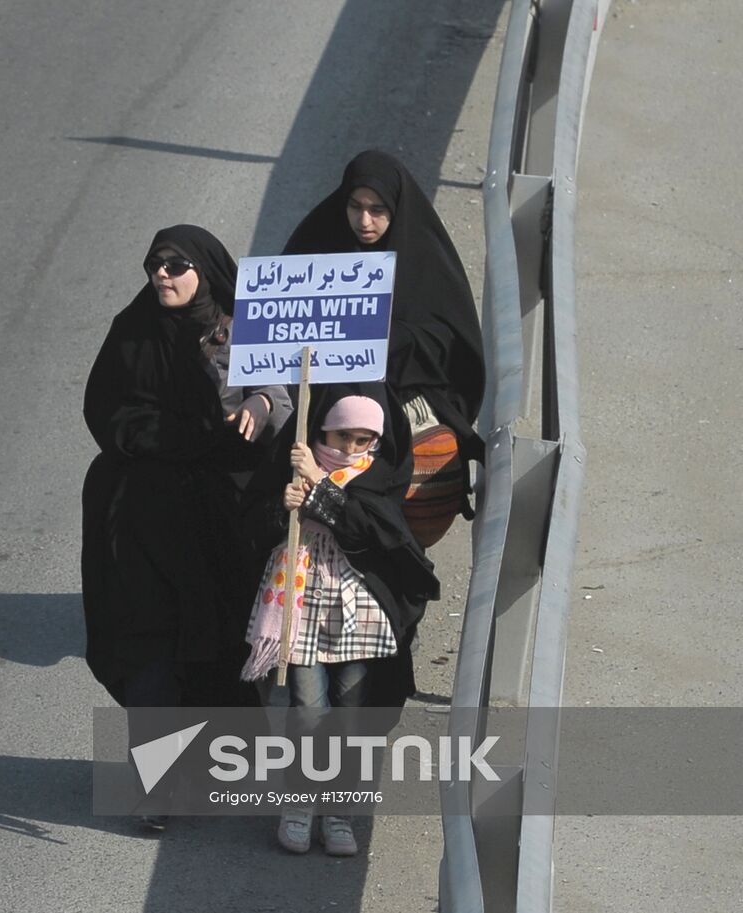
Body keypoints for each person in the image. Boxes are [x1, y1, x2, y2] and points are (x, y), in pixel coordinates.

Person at [81, 225, 292, 830]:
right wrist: (180, 437)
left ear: (205, 269)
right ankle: (159, 786)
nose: (163, 276)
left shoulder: (243, 327)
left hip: (223, 520)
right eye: (155, 265)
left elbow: (282, 394)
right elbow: (108, 413)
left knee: (215, 643)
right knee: (149, 645)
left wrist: (259, 406)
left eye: (176, 265)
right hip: (140, 517)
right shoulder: (132, 333)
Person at [238, 385, 439, 855]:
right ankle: (298, 806)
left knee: (351, 715)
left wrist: (319, 487)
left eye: (362, 439)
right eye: (341, 435)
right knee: (309, 710)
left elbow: (367, 530)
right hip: (301, 606)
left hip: (358, 616)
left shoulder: (376, 479)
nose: (349, 448)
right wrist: (282, 506)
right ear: (321, 429)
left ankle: (339, 813)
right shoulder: (291, 468)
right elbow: (251, 527)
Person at [283, 150, 486, 546]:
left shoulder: (422, 257)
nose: (364, 221)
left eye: (378, 210)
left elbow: (449, 343)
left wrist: (381, 339)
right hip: (324, 402)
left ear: (396, 209)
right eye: (355, 207)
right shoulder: (317, 246)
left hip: (402, 399)